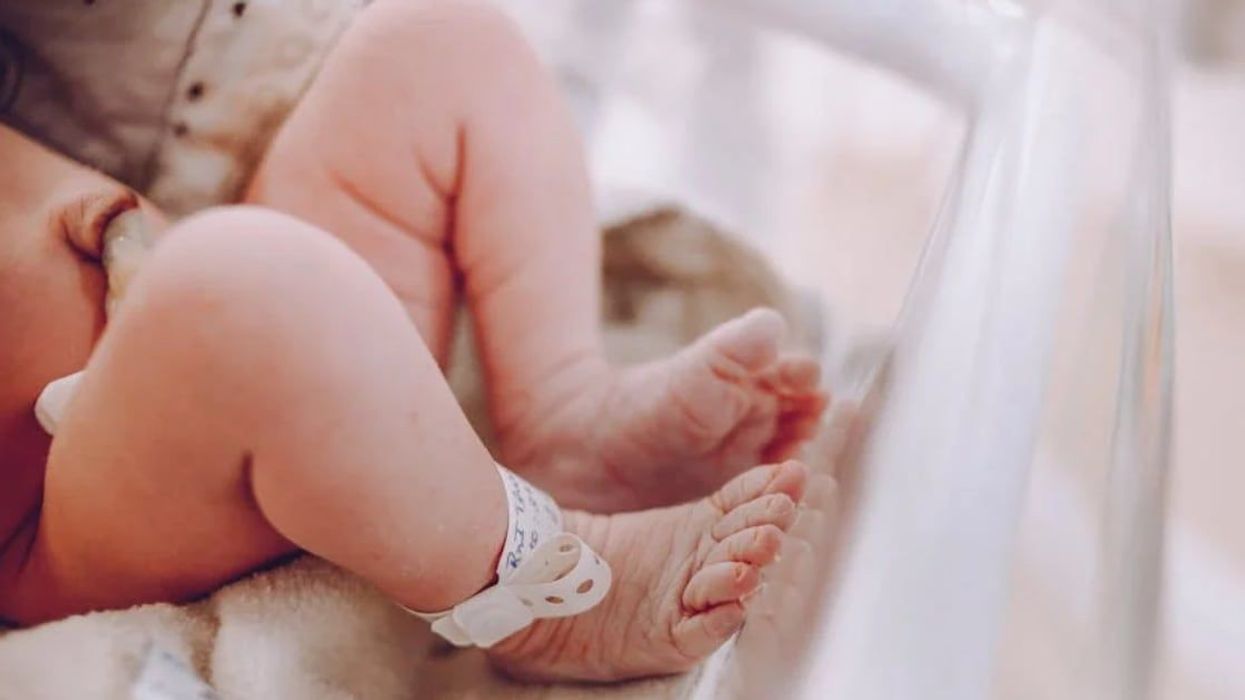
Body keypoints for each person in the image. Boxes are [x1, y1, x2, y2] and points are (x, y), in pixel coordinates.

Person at [0, 0, 826, 681]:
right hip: (77, 511)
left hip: (251, 306)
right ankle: (546, 590)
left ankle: (560, 408)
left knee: (434, 44)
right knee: (236, 288)